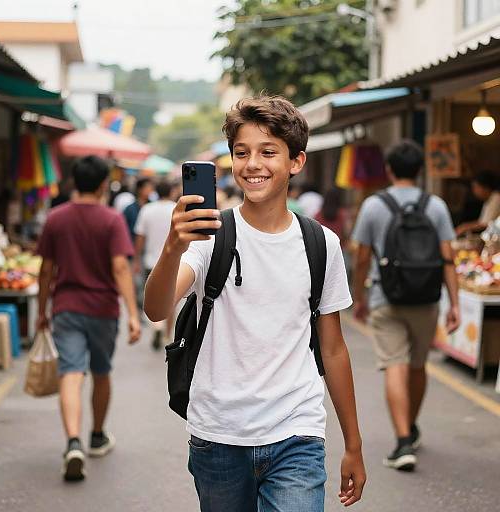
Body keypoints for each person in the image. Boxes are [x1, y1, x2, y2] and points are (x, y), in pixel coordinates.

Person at [144, 95, 366, 511]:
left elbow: (333, 349)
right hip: (218, 435)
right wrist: (174, 245)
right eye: (241, 153)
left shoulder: (322, 244)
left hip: (296, 432)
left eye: (268, 152)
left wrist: (353, 444)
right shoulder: (210, 236)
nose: (253, 164)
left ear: (296, 162)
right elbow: (157, 308)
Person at [352, 140, 460, 471]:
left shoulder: (373, 205)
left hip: (386, 296)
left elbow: (362, 256)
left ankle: (401, 443)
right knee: (417, 365)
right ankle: (410, 429)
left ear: (389, 170)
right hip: (427, 298)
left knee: (394, 365)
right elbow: (448, 257)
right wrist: (454, 303)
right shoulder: (436, 205)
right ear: (420, 170)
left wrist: (359, 297)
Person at [36, 155, 141, 482]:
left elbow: (46, 270)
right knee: (101, 372)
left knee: (71, 372)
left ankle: (72, 442)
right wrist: (134, 315)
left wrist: (41, 311)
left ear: (73, 183)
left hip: (66, 306)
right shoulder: (111, 220)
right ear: (101, 185)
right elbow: (121, 267)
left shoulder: (55, 218)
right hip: (103, 309)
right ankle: (97, 435)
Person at [133, 180, 176, 348]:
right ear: (171, 191)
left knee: (151, 294)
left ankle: (156, 326)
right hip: (172, 261)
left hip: (151, 261)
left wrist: (136, 259)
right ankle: (166, 334)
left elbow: (140, 237)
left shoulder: (147, 210)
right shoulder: (176, 208)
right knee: (171, 297)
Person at [455, 170, 500, 236]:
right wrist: (463, 227)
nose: (474, 191)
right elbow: (482, 221)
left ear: (486, 187)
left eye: (476, 187)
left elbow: (485, 224)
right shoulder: (489, 199)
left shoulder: (496, 198)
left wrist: (463, 227)